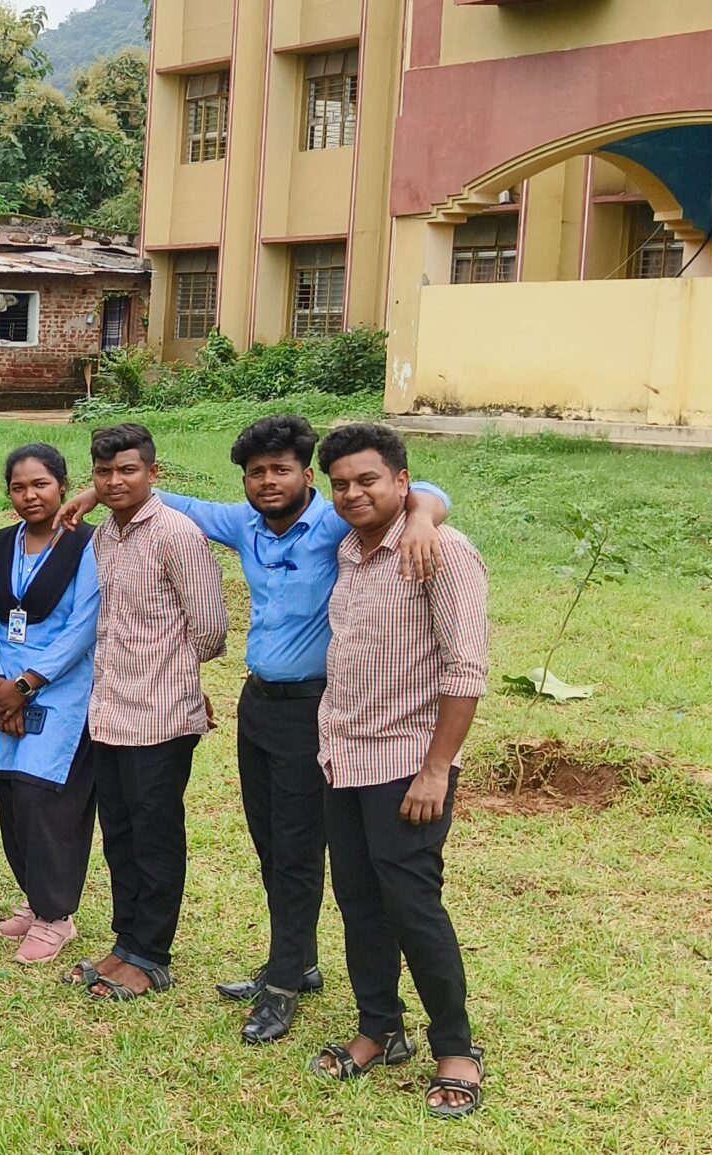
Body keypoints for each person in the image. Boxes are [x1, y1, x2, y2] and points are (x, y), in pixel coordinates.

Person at [58, 415, 451, 1040]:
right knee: (271, 844)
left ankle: (282, 986)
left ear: (306, 474)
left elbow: (418, 490)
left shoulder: (335, 521)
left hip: (319, 710)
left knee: (298, 851)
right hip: (259, 705)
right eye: (255, 472)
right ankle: (302, 959)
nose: (267, 482)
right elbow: (169, 500)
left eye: (281, 470)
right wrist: (91, 491)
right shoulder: (242, 523)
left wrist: (427, 517)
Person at [308, 423, 490, 1120]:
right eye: (342, 483)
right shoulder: (351, 554)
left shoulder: (442, 550)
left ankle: (456, 1047)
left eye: (368, 480)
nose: (353, 493)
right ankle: (379, 1026)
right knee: (358, 902)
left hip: (407, 765)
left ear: (403, 481)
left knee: (413, 906)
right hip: (343, 758)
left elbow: (466, 668)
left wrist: (437, 768)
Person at [68, 423, 228, 1001]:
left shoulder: (177, 535)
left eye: (127, 470)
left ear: (153, 473)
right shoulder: (106, 536)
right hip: (109, 712)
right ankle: (124, 942)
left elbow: (211, 628)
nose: (114, 481)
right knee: (120, 835)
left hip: (159, 716)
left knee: (155, 837)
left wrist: (173, 674)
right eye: (104, 472)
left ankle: (152, 955)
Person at [0, 444, 102, 967]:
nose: (30, 495)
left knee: (48, 803)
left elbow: (84, 626)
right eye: (19, 487)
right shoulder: (0, 544)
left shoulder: (88, 546)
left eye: (41, 485)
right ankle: (34, 899)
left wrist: (26, 685)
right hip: (0, 688)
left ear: (63, 487)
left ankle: (57, 917)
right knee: (11, 799)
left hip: (60, 690)